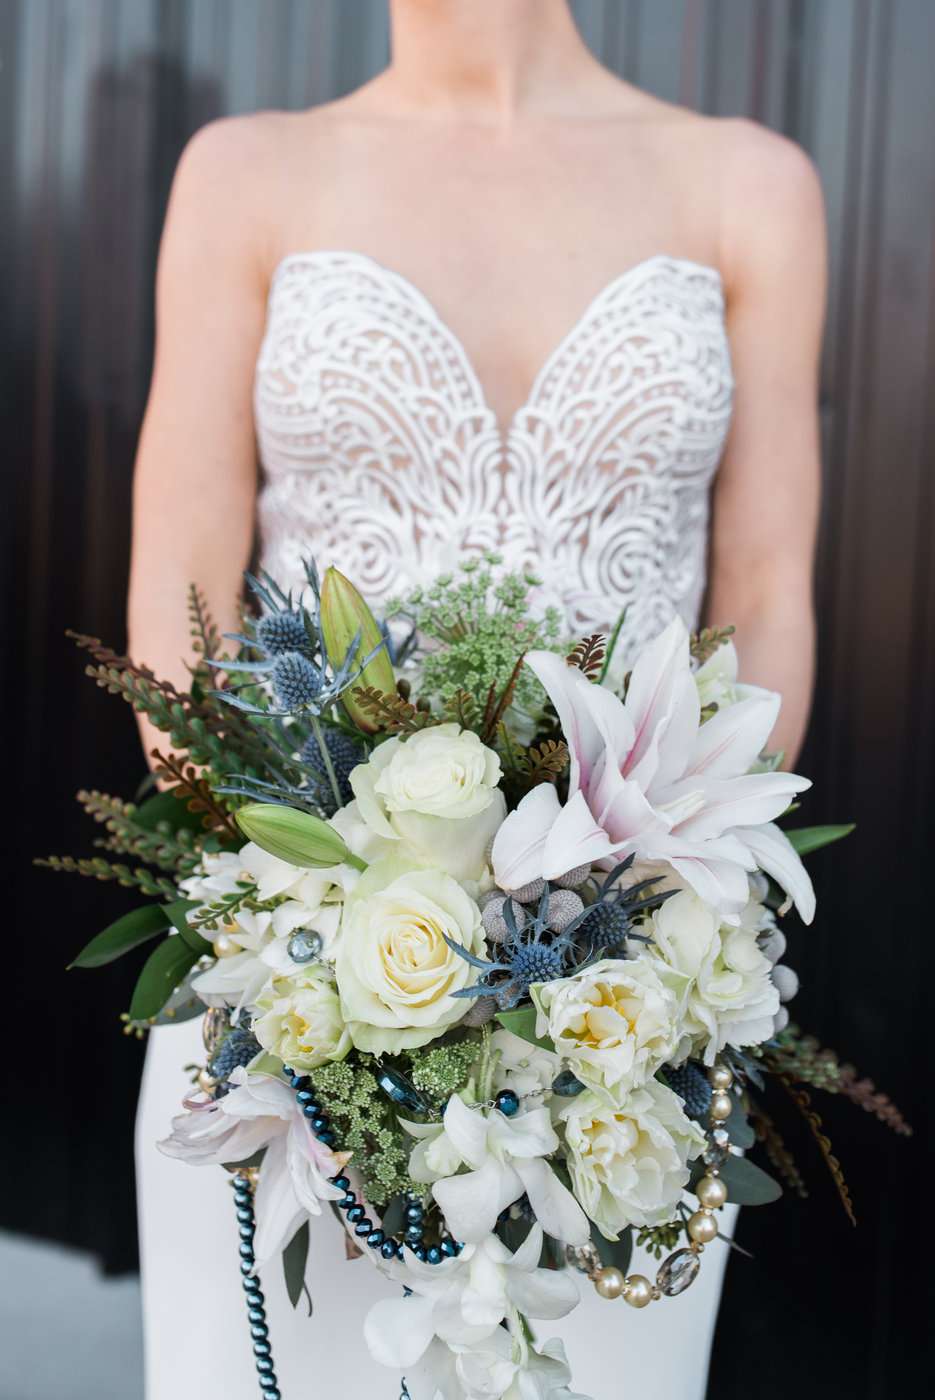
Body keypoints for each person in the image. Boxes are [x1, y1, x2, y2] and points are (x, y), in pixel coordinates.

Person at [130, 3, 826, 1396]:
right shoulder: (245, 172)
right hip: (297, 1014)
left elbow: (762, 602)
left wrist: (617, 943)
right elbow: (178, 639)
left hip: (629, 1035)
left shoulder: (749, 185)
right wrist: (333, 947)